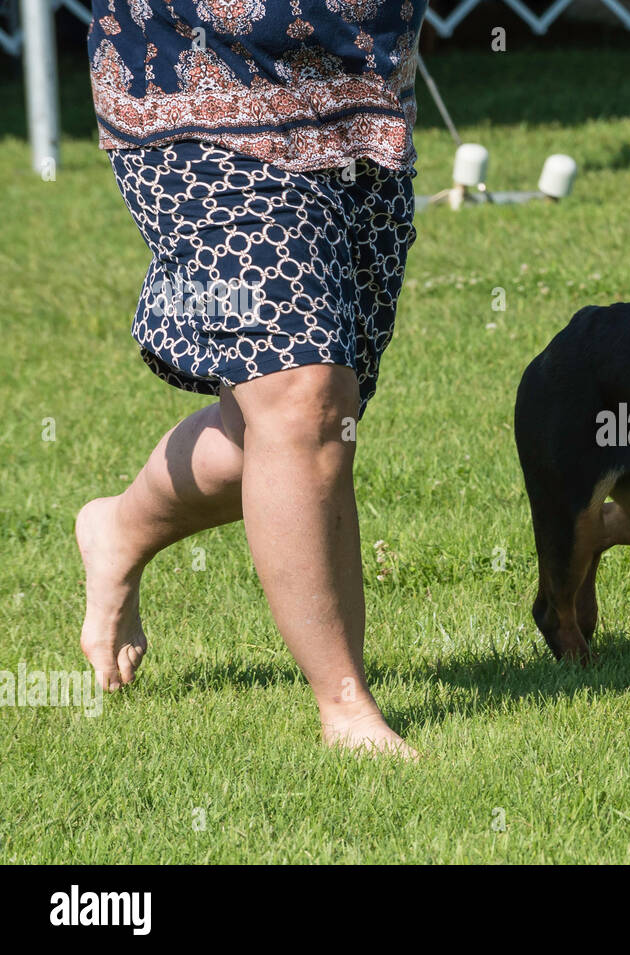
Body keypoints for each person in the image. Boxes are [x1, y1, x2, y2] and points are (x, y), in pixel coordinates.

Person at [79, 1, 430, 757]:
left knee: (302, 423)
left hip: (357, 90)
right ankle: (346, 709)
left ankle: (118, 528)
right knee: (301, 396)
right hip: (190, 84)